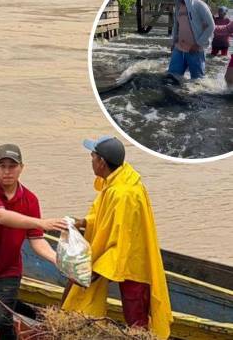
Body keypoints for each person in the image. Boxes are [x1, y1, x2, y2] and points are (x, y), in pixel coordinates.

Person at [63, 137, 173, 339]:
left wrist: (92, 271)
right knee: (134, 313)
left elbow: (119, 240)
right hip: (124, 253)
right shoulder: (120, 179)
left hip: (132, 260)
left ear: (102, 162)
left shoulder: (123, 193)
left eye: (92, 157)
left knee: (137, 320)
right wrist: (84, 222)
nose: (91, 161)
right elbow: (107, 219)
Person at [0, 144, 64, 339]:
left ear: (21, 168)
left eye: (12, 166)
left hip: (7, 271)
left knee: (3, 321)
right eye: (3, 166)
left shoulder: (30, 200)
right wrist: (42, 222)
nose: (7, 171)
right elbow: (1, 216)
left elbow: (37, 240)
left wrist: (58, 259)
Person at [167, 0, 214, 80]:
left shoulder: (199, 5)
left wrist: (198, 44)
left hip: (195, 49)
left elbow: (211, 26)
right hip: (179, 48)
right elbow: (176, 25)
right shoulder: (178, 7)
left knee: (197, 81)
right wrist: (173, 41)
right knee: (172, 78)